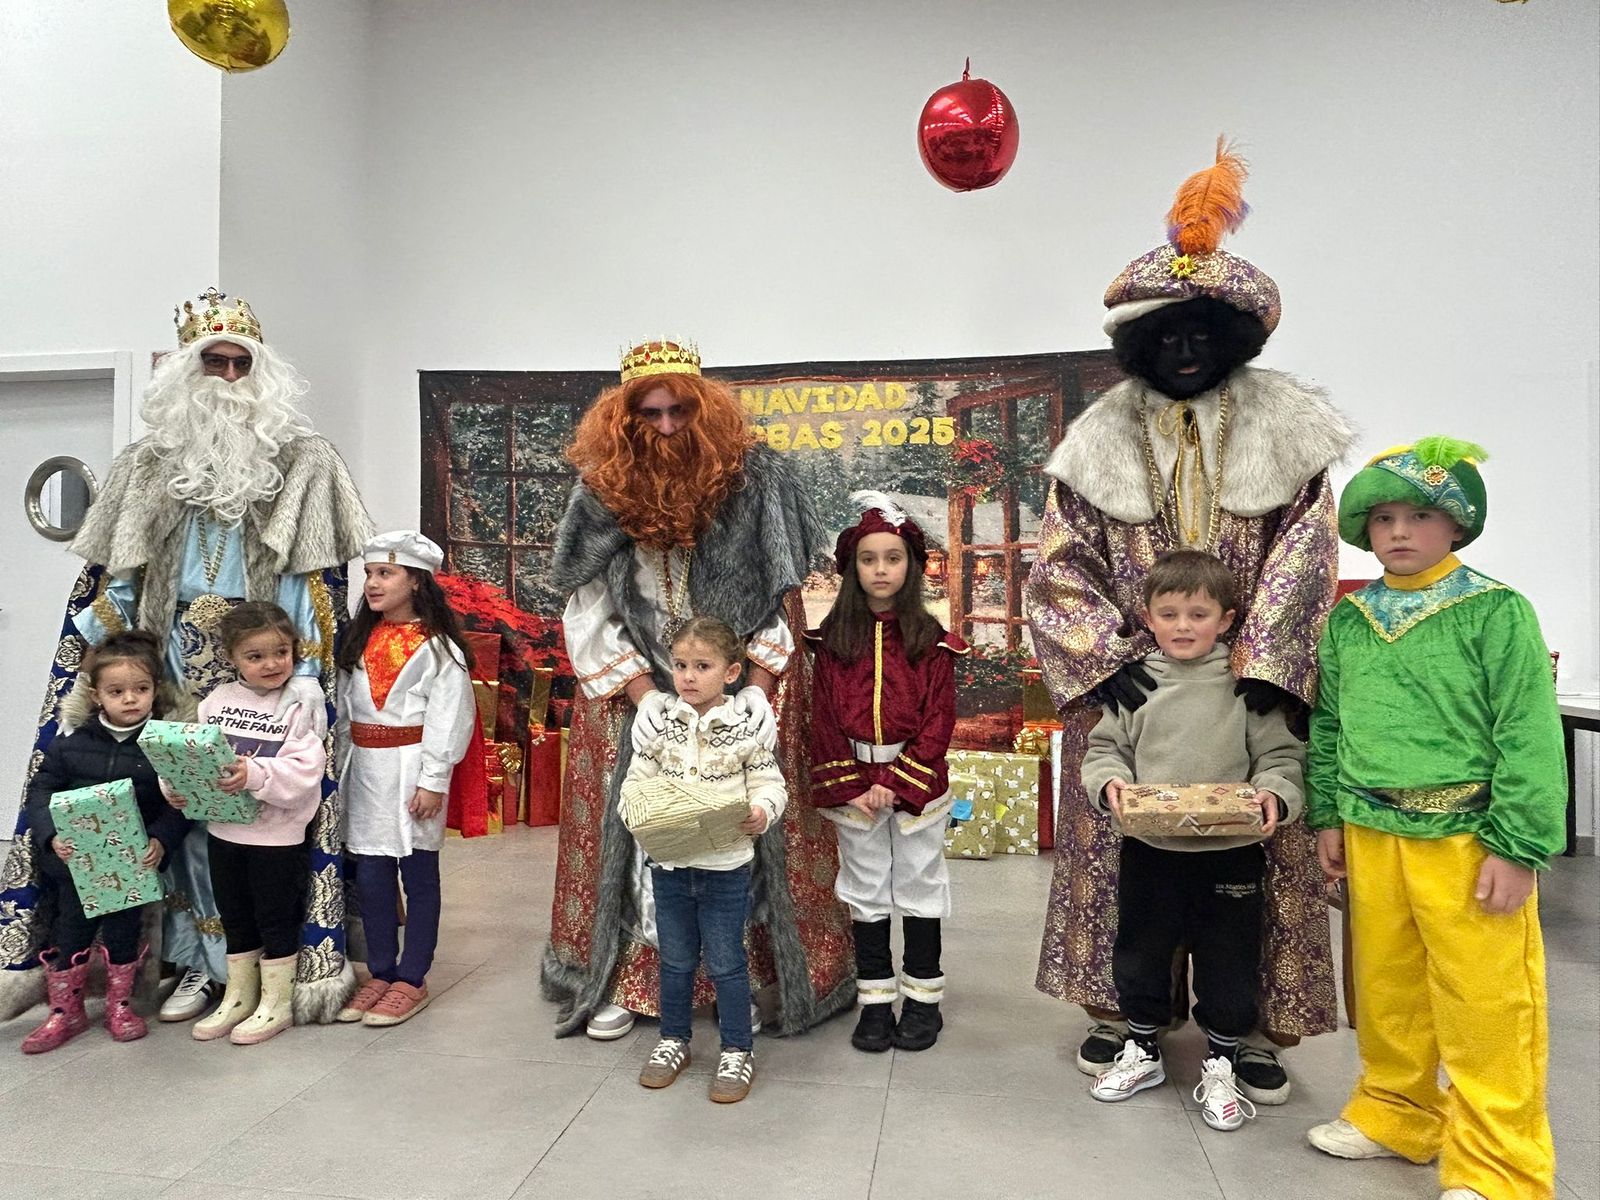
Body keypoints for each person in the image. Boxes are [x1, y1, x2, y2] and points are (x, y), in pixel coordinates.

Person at [1025, 140, 1349, 1100]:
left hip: (1248, 689)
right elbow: (1059, 566)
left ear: (1232, 338)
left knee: (1250, 871)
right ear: (1139, 344)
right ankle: (1128, 1015)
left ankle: (1246, 1032)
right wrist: (1105, 658)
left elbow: (1306, 555)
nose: (1184, 350)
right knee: (1128, 866)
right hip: (1133, 686)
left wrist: (1266, 664)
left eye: (1200, 334)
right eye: (1165, 337)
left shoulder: (1288, 432)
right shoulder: (1097, 442)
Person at [0, 287, 371, 1026]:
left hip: (258, 686)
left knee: (247, 827)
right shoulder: (146, 467)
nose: (228, 379)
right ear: (184, 372)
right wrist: (111, 661)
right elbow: (120, 582)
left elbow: (311, 592)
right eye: (214, 363)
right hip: (168, 684)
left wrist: (294, 684)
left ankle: (246, 969)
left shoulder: (302, 463)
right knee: (172, 825)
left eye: (240, 364)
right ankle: (185, 965)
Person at [540, 340, 854, 1040]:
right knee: (637, 825)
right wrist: (643, 692)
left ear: (704, 408)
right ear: (623, 420)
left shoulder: (757, 479)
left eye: (680, 410)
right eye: (649, 414)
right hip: (638, 691)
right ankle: (623, 976)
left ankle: (753, 977)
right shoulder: (600, 488)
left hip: (737, 681)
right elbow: (586, 603)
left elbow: (782, 594)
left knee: (739, 824)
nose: (667, 427)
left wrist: (755, 690)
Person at [1304, 438, 1564, 1200]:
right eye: (1383, 516)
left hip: (1469, 838)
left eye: (1420, 514)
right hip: (1372, 833)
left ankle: (1500, 1167)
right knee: (1388, 989)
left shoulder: (1496, 610)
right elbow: (1331, 726)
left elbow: (1528, 731)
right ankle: (1396, 1113)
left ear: (1456, 524)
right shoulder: (1351, 621)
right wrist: (1329, 815)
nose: (1399, 531)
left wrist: (1518, 846)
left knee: (1486, 1002)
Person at [1080, 550, 1304, 1133]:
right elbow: (1106, 751)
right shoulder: (1136, 686)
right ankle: (1144, 1049)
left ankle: (1224, 1058)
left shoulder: (1247, 688)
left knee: (1229, 957)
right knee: (1141, 950)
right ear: (1146, 616)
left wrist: (1275, 795)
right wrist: (1110, 784)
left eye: (1198, 614)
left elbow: (1281, 758)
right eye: (1169, 612)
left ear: (1227, 619)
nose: (1183, 626)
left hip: (1230, 855)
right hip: (1149, 853)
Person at [806, 492, 966, 1054]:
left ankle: (923, 1002)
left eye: (892, 558)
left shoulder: (933, 644)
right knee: (867, 890)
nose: (880, 569)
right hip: (854, 787)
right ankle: (875, 1002)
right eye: (869, 559)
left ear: (912, 565)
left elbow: (938, 721)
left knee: (920, 887)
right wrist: (857, 784)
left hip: (913, 787)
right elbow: (822, 717)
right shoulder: (831, 644)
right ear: (853, 567)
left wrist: (896, 783)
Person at [626, 618, 785, 1104]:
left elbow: (768, 783)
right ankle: (674, 1039)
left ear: (732, 672)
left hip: (725, 869)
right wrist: (637, 812)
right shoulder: (661, 726)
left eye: (702, 666)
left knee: (726, 961)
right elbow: (637, 781)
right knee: (674, 960)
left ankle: (738, 1049)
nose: (688, 677)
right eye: (679, 666)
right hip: (670, 867)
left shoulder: (745, 729)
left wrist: (762, 811)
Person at [20, 631, 191, 1053]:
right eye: (117, 691)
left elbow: (181, 804)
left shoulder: (161, 747)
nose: (130, 699)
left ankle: (121, 1004)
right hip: (76, 863)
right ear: (98, 696)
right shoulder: (71, 743)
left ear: (155, 690)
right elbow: (41, 791)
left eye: (141, 689)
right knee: (71, 930)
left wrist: (161, 840)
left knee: (122, 932)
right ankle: (65, 1011)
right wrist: (51, 835)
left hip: (131, 864)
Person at [334, 531, 478, 1028]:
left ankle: (412, 976)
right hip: (365, 771)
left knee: (418, 875)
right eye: (370, 573)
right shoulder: (356, 638)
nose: (372, 583)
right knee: (371, 877)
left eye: (385, 573)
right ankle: (380, 969)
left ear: (416, 581)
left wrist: (433, 779)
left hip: (411, 769)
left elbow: (449, 715)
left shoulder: (440, 649)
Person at [165, 602, 326, 1046]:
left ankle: (277, 1002)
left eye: (280, 652)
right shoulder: (215, 702)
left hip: (276, 835)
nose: (271, 664)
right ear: (232, 658)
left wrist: (254, 775)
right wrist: (174, 788)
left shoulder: (297, 703)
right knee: (236, 918)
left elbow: (307, 771)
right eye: (255, 656)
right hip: (223, 832)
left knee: (275, 918)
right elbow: (189, 753)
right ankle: (239, 995)